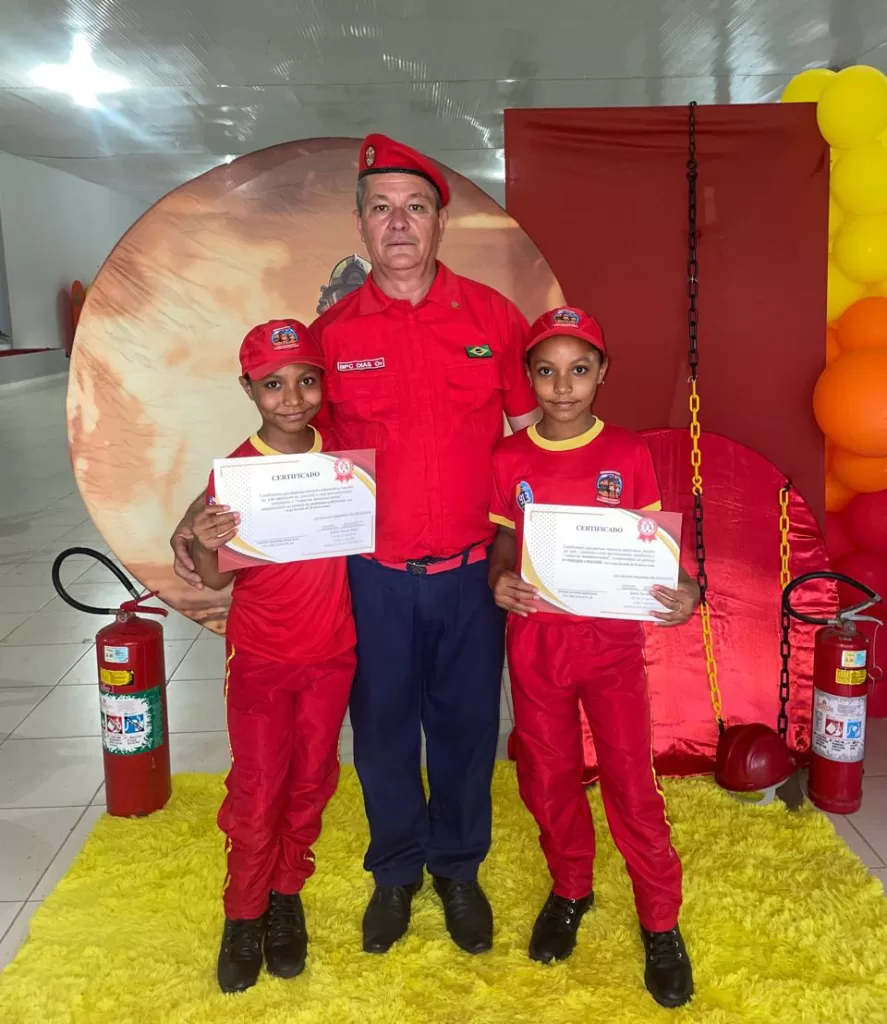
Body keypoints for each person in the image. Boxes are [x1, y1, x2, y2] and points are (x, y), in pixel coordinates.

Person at [171, 135, 540, 956]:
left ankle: (457, 869)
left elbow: (531, 446)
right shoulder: (330, 335)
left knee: (466, 730)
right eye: (381, 209)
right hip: (371, 578)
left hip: (471, 574)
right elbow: (285, 447)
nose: (398, 223)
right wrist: (201, 512)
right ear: (360, 224)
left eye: (415, 207)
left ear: (439, 221)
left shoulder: (493, 319)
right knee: (380, 734)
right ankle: (396, 871)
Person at [487, 306, 698, 1009]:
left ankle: (659, 920)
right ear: (528, 377)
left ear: (601, 372)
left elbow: (655, 550)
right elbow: (502, 538)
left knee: (630, 784)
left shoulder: (627, 453)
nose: (562, 386)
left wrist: (687, 590)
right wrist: (498, 577)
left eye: (578, 370)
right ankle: (571, 887)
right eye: (546, 372)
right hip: (536, 646)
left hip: (610, 651)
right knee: (547, 777)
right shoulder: (508, 459)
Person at [189, 319, 356, 993]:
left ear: (323, 383)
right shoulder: (235, 473)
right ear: (248, 389)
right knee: (259, 788)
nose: (292, 398)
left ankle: (287, 892)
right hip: (261, 656)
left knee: (312, 779)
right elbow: (214, 578)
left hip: (332, 655)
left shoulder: (342, 455)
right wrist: (203, 538)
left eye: (306, 381)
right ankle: (243, 910)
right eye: (273, 384)